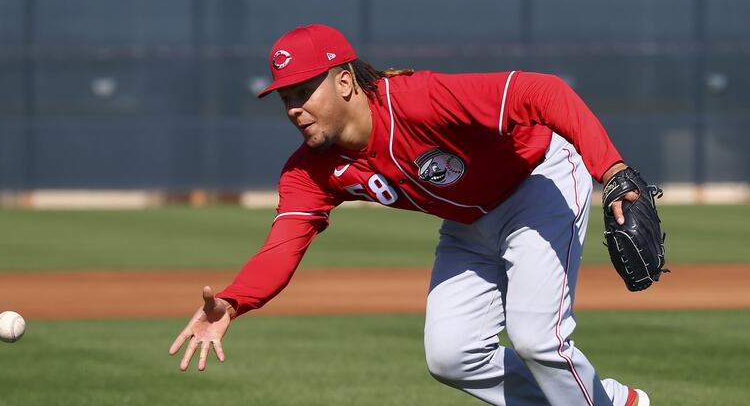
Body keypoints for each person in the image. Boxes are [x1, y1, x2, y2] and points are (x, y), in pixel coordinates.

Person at [169, 24, 650, 406]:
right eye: (285, 98)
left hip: (536, 183)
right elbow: (283, 245)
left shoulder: (418, 101)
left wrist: (610, 169)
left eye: (302, 92)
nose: (294, 108)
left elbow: (541, 92)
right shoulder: (310, 170)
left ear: (344, 81)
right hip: (467, 223)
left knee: (538, 337)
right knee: (452, 356)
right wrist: (234, 301)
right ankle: (606, 402)